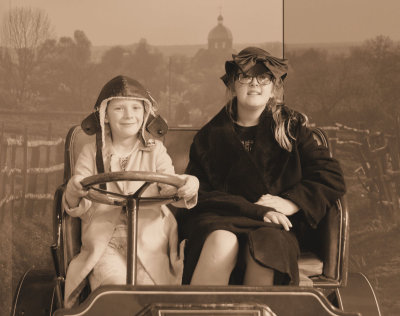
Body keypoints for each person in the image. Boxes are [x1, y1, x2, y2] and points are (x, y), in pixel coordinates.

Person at [181, 47, 346, 286]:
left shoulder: (292, 129)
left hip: (273, 225)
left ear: (274, 87)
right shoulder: (209, 136)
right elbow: (202, 194)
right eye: (246, 76)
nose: (254, 84)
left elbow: (331, 176)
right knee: (220, 241)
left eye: (264, 77)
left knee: (267, 247)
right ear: (233, 84)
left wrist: (290, 202)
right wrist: (258, 211)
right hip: (222, 218)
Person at [63, 75, 199, 307]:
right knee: (116, 293)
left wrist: (187, 184)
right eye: (119, 108)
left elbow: (170, 186)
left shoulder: (156, 150)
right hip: (107, 242)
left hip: (149, 242)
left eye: (136, 108)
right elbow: (80, 200)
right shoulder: (90, 152)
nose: (129, 115)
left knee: (149, 298)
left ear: (145, 114)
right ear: (104, 115)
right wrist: (74, 190)